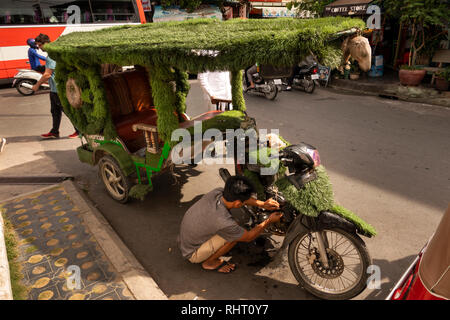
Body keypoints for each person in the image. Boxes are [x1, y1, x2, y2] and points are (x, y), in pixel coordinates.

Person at [178, 176, 283, 273]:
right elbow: (249, 237)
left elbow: (240, 199)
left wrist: (263, 204)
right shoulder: (223, 221)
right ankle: (209, 262)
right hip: (192, 252)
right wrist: (269, 220)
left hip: (187, 238)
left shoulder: (218, 192)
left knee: (234, 228)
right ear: (238, 203)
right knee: (234, 237)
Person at [32, 33, 78, 139]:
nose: (39, 48)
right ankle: (54, 131)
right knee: (55, 111)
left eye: (40, 45)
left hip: (59, 89)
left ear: (46, 43)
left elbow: (47, 74)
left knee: (67, 111)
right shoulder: (53, 54)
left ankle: (79, 130)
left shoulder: (51, 56)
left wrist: (37, 85)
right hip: (54, 89)